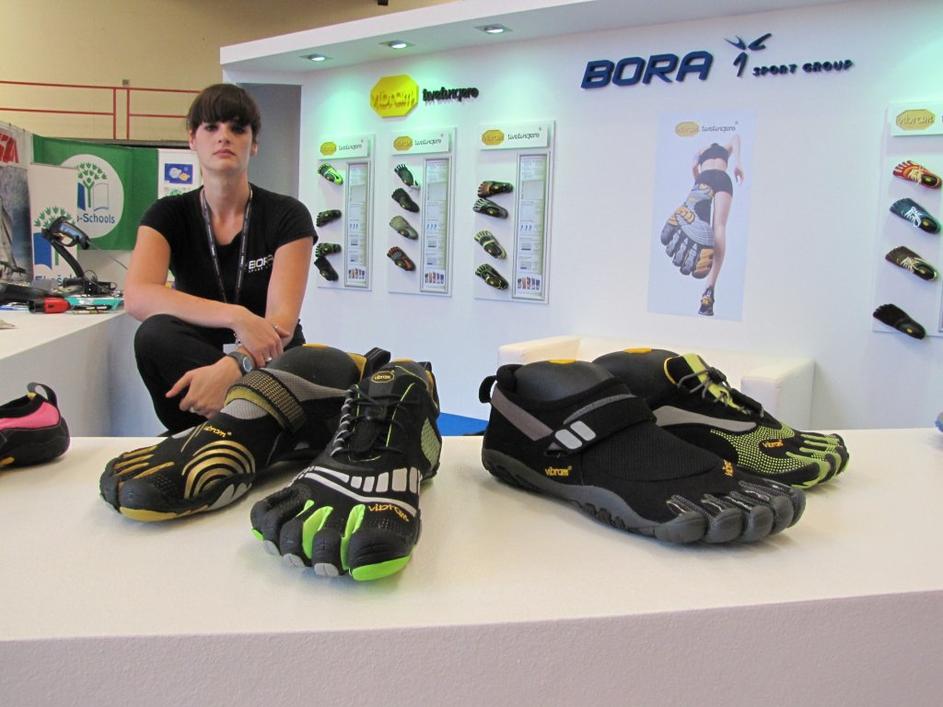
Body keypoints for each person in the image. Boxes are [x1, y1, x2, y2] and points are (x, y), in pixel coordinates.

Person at [125, 83, 315, 433]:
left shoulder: (287, 215)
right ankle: (237, 426)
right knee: (153, 334)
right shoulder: (167, 214)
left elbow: (281, 322)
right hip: (195, 362)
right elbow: (138, 296)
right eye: (211, 127)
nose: (223, 137)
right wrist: (236, 316)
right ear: (192, 139)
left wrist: (235, 366)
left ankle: (231, 427)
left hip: (269, 360)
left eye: (237, 128)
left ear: (254, 144)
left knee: (299, 363)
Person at [660, 135, 743, 316]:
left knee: (702, 213)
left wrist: (698, 184)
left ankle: (694, 208)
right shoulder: (724, 149)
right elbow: (736, 138)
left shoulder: (702, 150)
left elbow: (693, 167)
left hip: (704, 179)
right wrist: (737, 163)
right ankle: (709, 290)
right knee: (719, 227)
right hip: (723, 178)